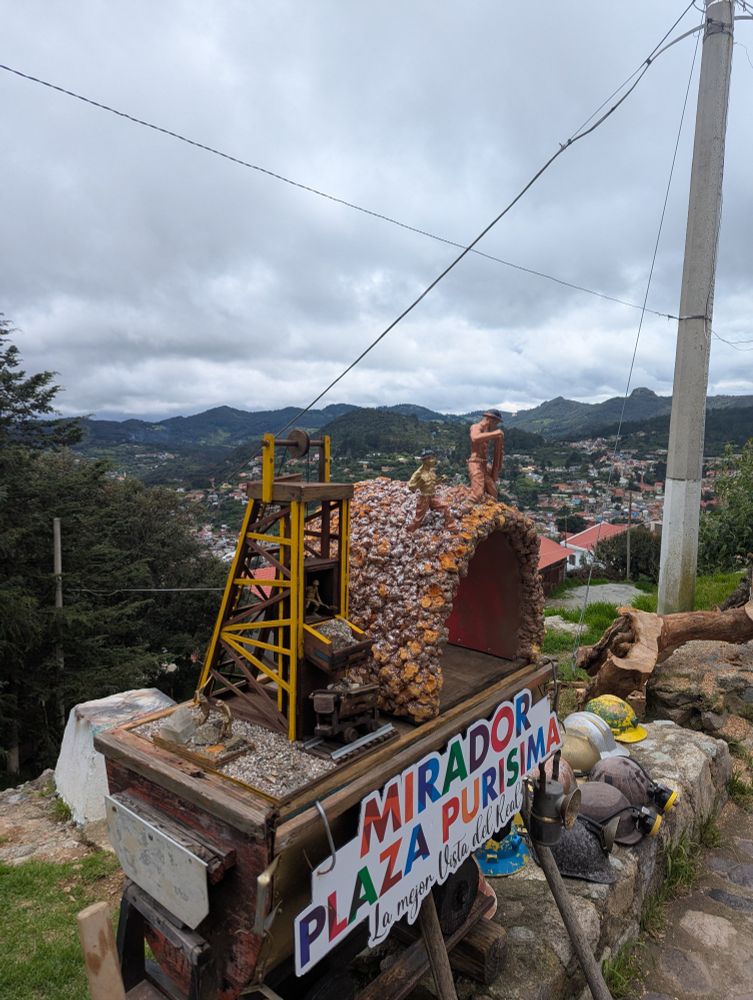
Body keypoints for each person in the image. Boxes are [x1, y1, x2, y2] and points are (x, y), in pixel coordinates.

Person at [407, 451, 455, 532]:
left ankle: (450, 526)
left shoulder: (431, 471)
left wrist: (441, 480)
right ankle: (409, 531)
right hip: (424, 498)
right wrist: (419, 483)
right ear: (425, 460)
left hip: (432, 497)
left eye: (433, 458)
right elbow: (410, 486)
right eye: (431, 458)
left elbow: (433, 483)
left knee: (445, 506)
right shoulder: (418, 473)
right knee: (419, 518)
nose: (433, 460)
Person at [468, 409, 504, 502]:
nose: (495, 426)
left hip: (484, 465)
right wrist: (496, 433)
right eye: (495, 423)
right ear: (489, 420)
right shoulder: (476, 427)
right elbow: (475, 438)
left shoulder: (487, 432)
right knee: (477, 493)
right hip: (475, 463)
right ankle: (460, 511)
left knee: (492, 492)